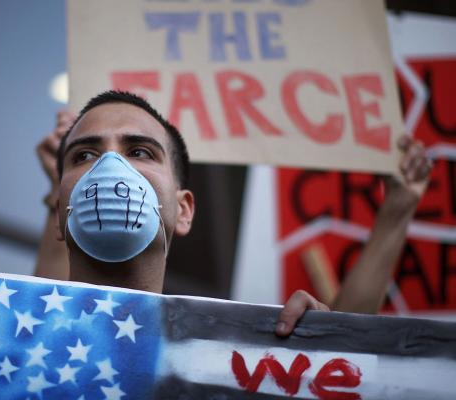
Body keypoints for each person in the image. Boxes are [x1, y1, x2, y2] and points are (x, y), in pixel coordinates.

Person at [35, 90, 431, 334]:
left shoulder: (232, 351)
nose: (109, 169)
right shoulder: (0, 334)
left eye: (140, 151)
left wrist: (323, 342)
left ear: (184, 210)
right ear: (59, 211)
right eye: (85, 154)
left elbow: (349, 362)